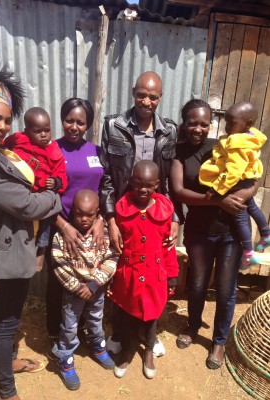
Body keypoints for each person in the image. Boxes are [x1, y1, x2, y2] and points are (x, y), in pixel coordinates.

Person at [0, 58, 62, 400]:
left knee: (12, 310)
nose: (3, 126)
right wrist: (55, 197)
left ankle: (10, 360)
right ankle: (6, 391)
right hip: (8, 249)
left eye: (7, 119)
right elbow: (25, 204)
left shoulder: (0, 151)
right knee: (6, 318)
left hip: (19, 242)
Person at [170, 99, 258, 369]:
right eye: (193, 123)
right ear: (184, 124)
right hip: (199, 232)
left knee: (226, 288)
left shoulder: (223, 147)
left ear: (211, 125)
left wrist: (239, 198)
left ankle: (219, 340)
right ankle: (193, 325)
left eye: (204, 124)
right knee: (196, 284)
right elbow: (179, 192)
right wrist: (218, 201)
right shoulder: (179, 153)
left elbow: (252, 181)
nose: (198, 129)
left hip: (230, 231)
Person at [99, 71, 179, 356]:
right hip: (123, 217)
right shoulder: (113, 126)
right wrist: (111, 220)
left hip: (154, 217)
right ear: (133, 92)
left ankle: (150, 333)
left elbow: (168, 182)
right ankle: (119, 332)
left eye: (153, 96)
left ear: (160, 98)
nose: (146, 101)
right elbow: (107, 177)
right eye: (141, 94)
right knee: (122, 275)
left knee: (153, 274)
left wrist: (173, 219)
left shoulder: (169, 131)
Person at [45, 98, 105, 354]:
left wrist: (101, 220)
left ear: (88, 125)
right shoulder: (50, 150)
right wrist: (62, 225)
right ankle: (56, 332)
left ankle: (84, 330)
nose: (74, 126)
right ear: (62, 120)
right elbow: (40, 192)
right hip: (60, 225)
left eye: (81, 122)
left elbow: (105, 188)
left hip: (91, 227)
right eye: (69, 120)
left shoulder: (97, 151)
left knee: (90, 274)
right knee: (60, 279)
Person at [110, 160, 178, 379]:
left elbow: (168, 247)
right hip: (128, 272)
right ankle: (128, 350)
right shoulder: (122, 209)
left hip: (154, 274)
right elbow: (116, 245)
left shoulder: (164, 211)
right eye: (138, 183)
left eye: (149, 185)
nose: (143, 189)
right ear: (131, 181)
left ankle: (148, 350)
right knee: (128, 313)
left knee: (151, 314)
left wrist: (172, 275)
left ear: (157, 184)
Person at [51, 189, 118, 390]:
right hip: (74, 292)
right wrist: (77, 287)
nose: (83, 219)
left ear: (97, 212)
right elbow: (58, 264)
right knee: (69, 326)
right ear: (71, 211)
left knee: (96, 318)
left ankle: (97, 345)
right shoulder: (62, 237)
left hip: (96, 288)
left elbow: (112, 258)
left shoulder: (104, 233)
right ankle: (65, 358)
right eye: (79, 213)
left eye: (89, 214)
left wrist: (94, 284)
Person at [199, 101, 270, 269]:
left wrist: (217, 188)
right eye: (227, 122)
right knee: (252, 208)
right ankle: (266, 233)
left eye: (232, 123)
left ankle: (248, 253)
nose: (228, 126)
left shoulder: (238, 144)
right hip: (246, 180)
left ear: (248, 124)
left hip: (237, 183)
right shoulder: (249, 138)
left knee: (240, 216)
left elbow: (233, 172)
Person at [4, 107, 68, 271]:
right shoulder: (18, 140)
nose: (44, 135)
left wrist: (56, 183)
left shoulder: (54, 150)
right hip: (21, 191)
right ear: (27, 131)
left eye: (47, 130)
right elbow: (2, 147)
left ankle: (41, 249)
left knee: (46, 218)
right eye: (37, 131)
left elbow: (62, 175)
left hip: (41, 194)